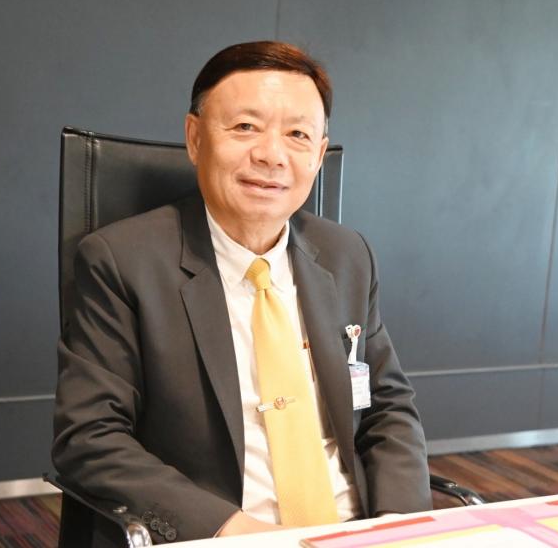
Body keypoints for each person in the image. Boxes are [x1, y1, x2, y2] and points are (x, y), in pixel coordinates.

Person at [52, 41, 431, 545]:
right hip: (224, 532)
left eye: (297, 134)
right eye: (246, 127)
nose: (271, 155)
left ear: (319, 155)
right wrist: (233, 531)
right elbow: (90, 437)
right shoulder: (121, 262)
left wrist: (398, 524)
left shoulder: (347, 255)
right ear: (194, 138)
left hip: (357, 531)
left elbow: (387, 407)